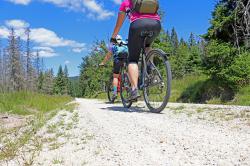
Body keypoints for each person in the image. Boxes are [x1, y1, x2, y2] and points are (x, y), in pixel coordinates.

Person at [110, 0, 161, 101]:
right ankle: (151, 69)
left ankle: (134, 90)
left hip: (138, 25)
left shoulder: (125, 3)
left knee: (133, 60)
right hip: (156, 25)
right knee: (147, 46)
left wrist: (113, 37)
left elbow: (119, 24)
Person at [99, 35, 128, 101]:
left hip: (117, 60)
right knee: (128, 72)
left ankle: (115, 93)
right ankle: (130, 87)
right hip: (126, 59)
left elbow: (108, 55)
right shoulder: (124, 43)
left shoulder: (112, 45)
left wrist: (103, 63)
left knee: (115, 76)